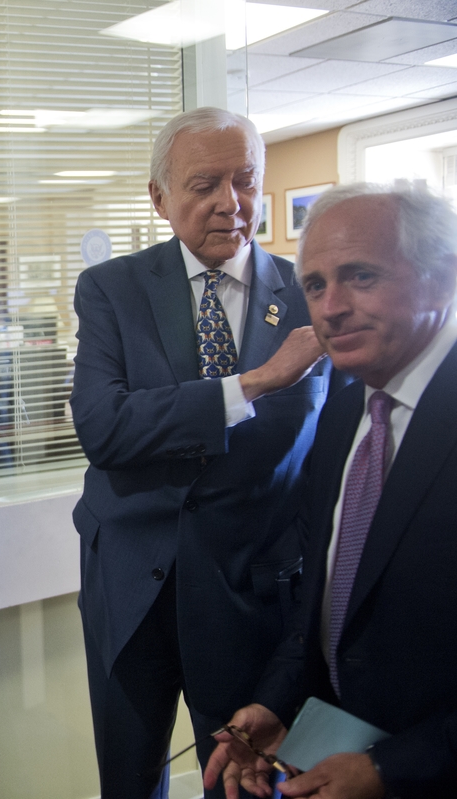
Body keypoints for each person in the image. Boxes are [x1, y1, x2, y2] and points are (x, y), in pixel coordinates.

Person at [69, 106, 340, 798]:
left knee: (245, 784)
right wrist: (255, 382)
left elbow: (326, 464)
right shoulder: (112, 289)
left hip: (253, 595)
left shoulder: (311, 295)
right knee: (129, 783)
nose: (230, 203)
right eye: (205, 185)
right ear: (159, 198)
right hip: (131, 593)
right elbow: (103, 428)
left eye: (245, 180)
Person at [204, 185, 457, 799]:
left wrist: (390, 768)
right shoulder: (345, 416)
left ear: (441, 278)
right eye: (314, 286)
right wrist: (275, 700)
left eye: (360, 276)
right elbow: (322, 602)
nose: (330, 308)